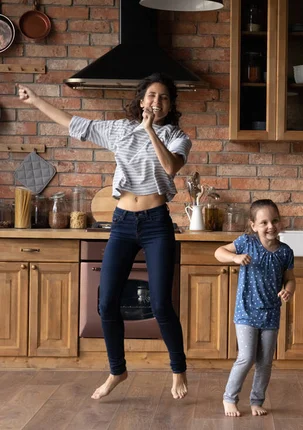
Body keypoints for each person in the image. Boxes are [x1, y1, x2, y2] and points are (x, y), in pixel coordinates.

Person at [17, 73, 193, 400]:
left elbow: (170, 168)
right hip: (123, 222)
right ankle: (117, 370)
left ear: (170, 106)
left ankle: (178, 369)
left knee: (160, 303)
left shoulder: (175, 136)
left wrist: (150, 131)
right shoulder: (118, 130)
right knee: (106, 301)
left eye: (164, 98)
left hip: (156, 223)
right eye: (152, 96)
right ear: (141, 100)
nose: (157, 102)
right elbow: (74, 124)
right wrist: (36, 100)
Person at [214, 199, 296, 417]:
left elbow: (290, 279)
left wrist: (289, 290)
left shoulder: (285, 252)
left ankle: (256, 401)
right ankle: (229, 398)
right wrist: (235, 257)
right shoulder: (246, 243)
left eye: (275, 220)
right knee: (247, 356)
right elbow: (218, 252)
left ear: (280, 222)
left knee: (265, 361)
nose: (271, 226)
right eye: (264, 222)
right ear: (253, 225)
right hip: (246, 312)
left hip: (271, 313)